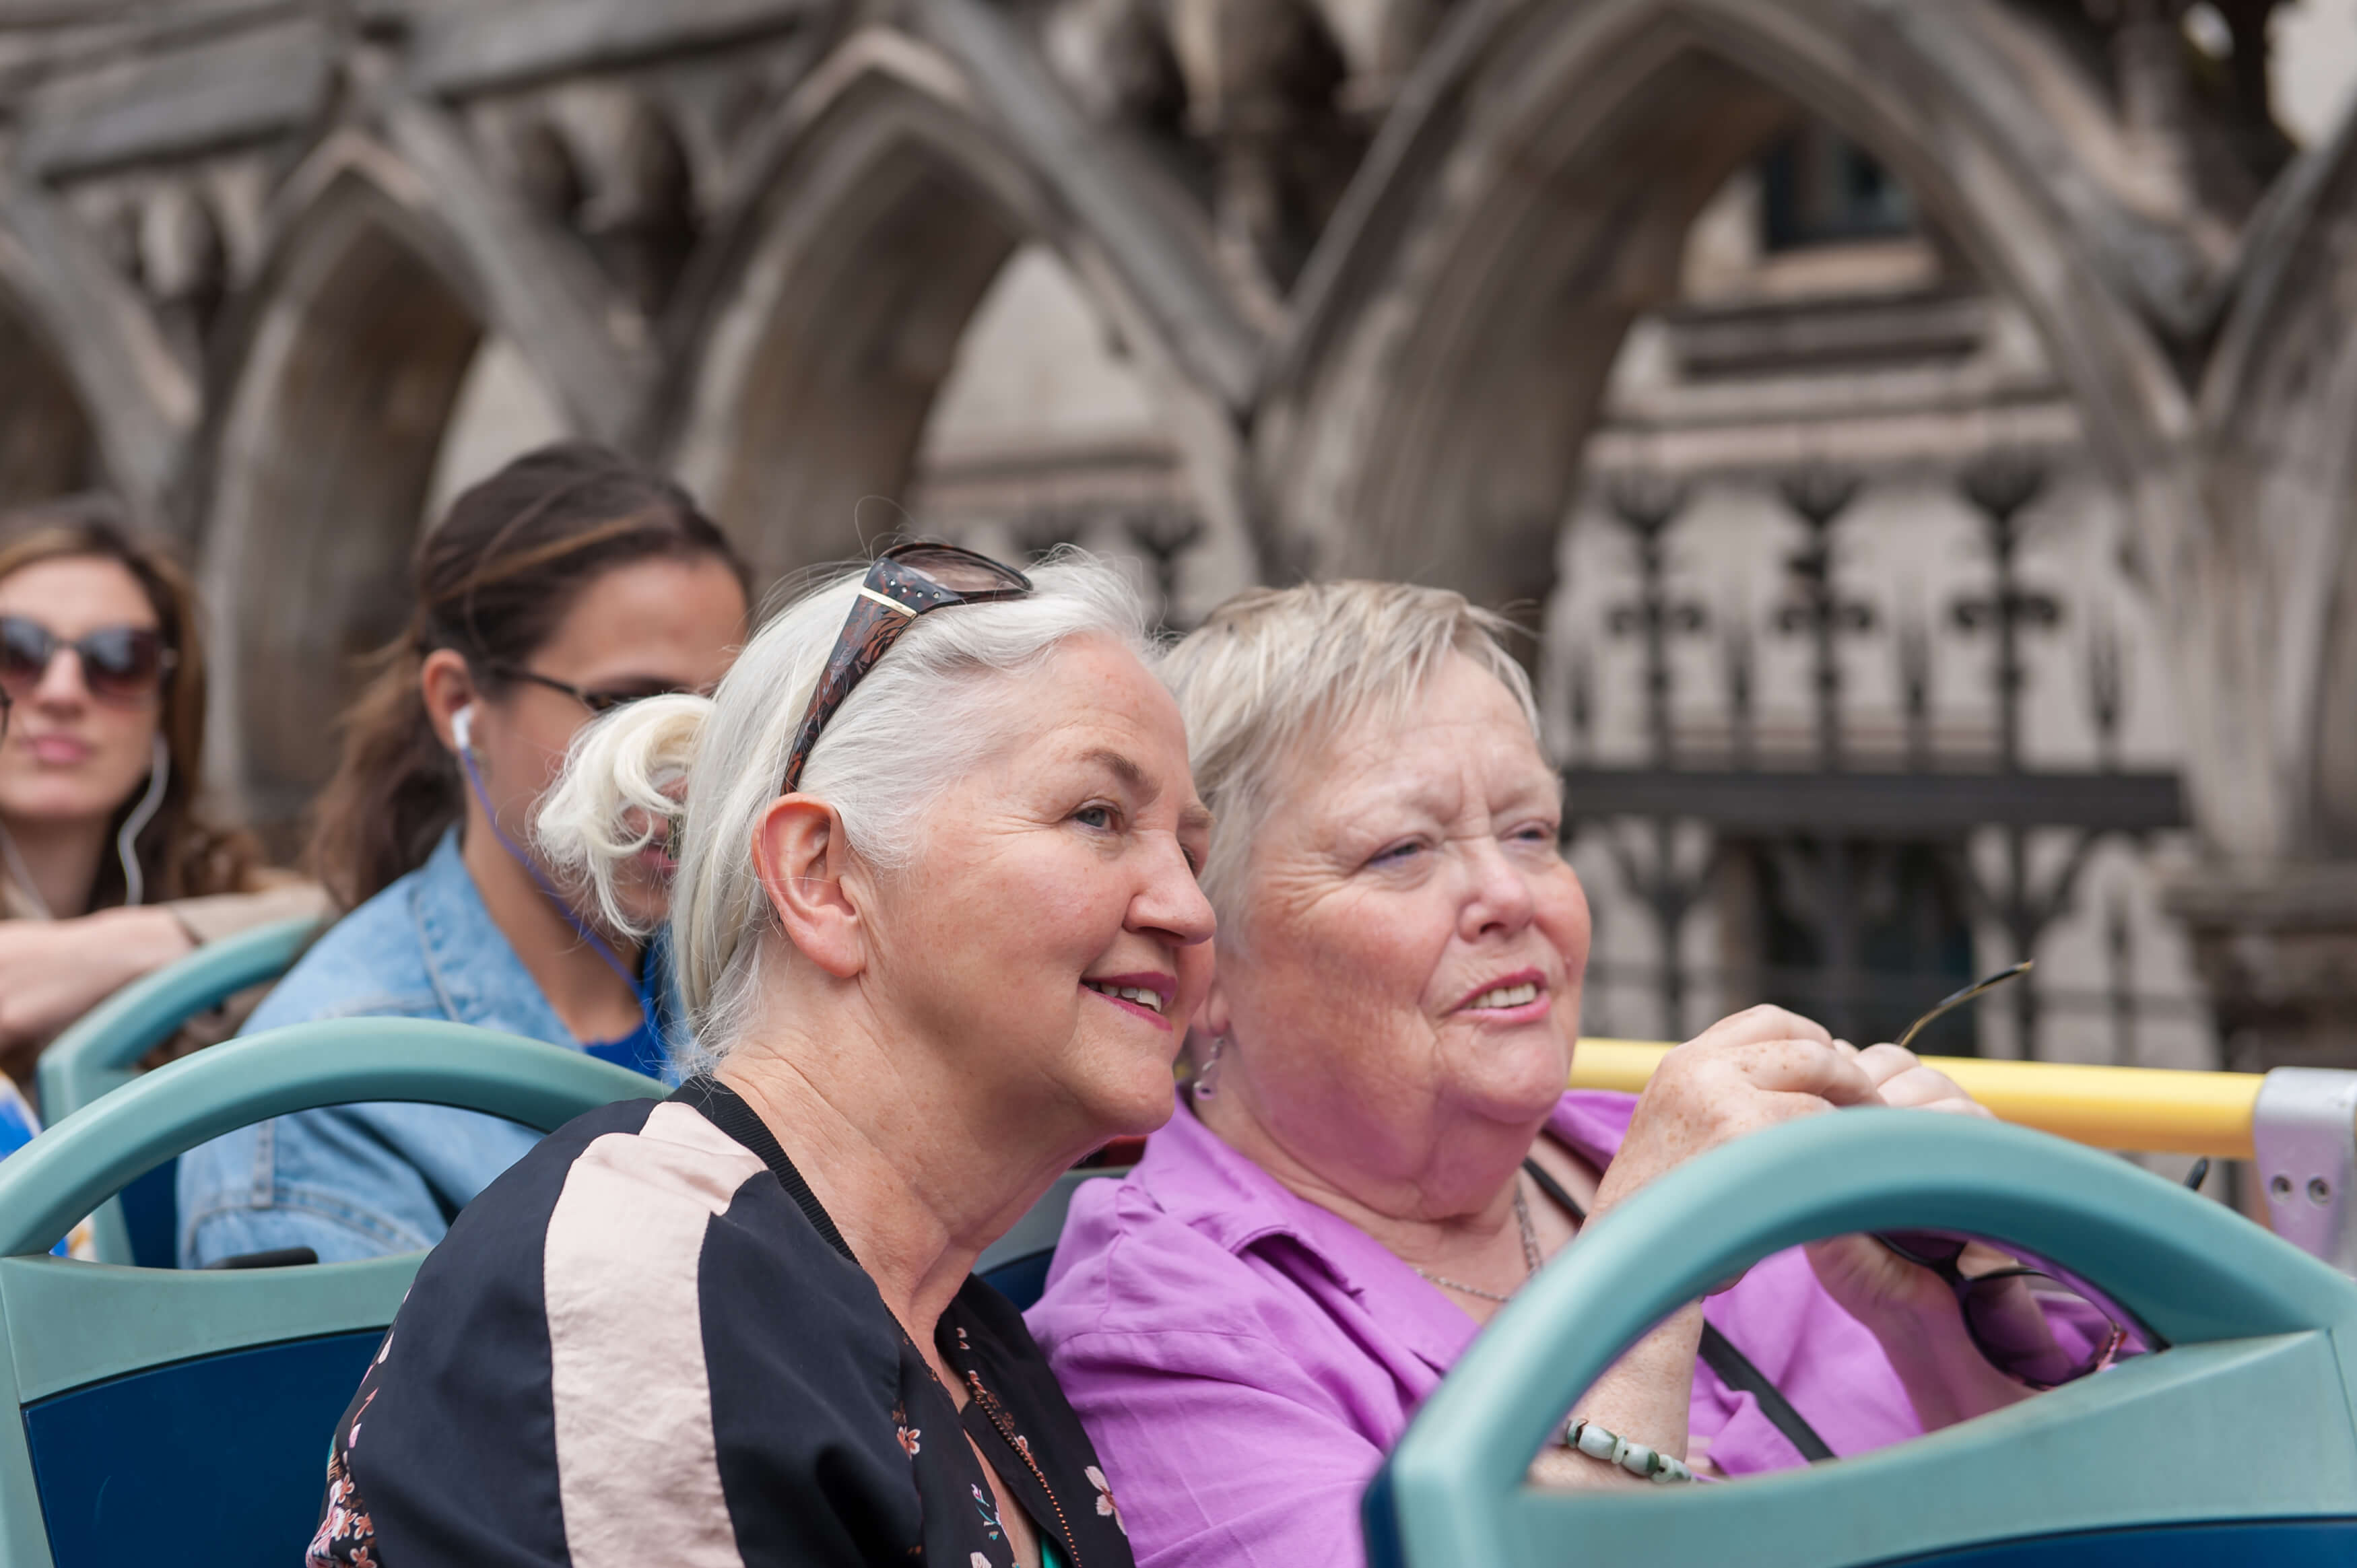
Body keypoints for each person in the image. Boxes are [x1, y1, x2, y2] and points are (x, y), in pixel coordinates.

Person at [1028, 582, 2084, 1568]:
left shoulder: (1707, 1154)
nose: (1508, 893)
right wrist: (1646, 1270)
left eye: (1532, 831)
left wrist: (1945, 1317)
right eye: (1402, 850)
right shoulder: (1163, 1327)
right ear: (1211, 960)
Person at [300, 545, 1211, 1568]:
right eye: (1097, 816)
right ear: (822, 878)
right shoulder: (646, 1290)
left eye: (1193, 849)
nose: (1188, 905)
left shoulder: (957, 1326)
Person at [177, 444, 750, 1267]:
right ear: (460, 704)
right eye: (626, 704)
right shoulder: (325, 1098)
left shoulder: (761, 988)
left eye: (723, 712)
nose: (686, 776)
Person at [0, 498, 327, 1093]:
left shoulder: (218, 887)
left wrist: (124, 946)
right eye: (13, 653)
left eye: (119, 661)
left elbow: (364, 917)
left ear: (164, 715)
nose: (61, 693)